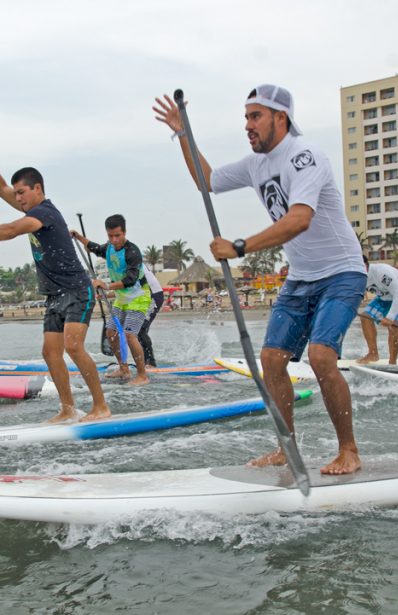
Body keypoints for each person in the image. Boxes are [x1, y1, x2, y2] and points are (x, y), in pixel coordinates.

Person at [154, 83, 366, 475]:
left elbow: (300, 219)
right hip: (302, 276)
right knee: (271, 360)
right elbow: (207, 181)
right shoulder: (257, 165)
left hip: (341, 271)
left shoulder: (304, 157)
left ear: (280, 118)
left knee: (321, 357)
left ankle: (349, 449)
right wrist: (183, 134)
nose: (248, 126)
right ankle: (286, 447)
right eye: (246, 118)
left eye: (255, 117)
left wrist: (239, 247)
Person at [0, 137, 110, 423]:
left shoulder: (44, 213)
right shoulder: (29, 207)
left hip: (77, 290)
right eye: (17, 194)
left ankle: (101, 407)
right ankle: (68, 408)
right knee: (49, 352)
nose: (18, 198)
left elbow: (11, 230)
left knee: (73, 347)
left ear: (38, 189)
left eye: (22, 192)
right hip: (54, 294)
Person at [72, 214, 151, 385]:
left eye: (117, 235)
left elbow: (130, 279)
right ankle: (123, 368)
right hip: (122, 299)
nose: (114, 240)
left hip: (139, 297)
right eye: (110, 236)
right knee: (111, 333)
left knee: (130, 335)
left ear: (124, 232)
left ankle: (142, 375)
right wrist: (78, 237)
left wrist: (106, 286)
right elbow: (93, 247)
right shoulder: (108, 248)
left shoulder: (132, 251)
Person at [357, 256, 398, 365]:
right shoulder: (355, 278)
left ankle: (392, 362)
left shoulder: (381, 272)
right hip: (384, 298)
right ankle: (373, 354)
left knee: (393, 326)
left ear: (365, 264)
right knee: (365, 317)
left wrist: (390, 317)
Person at [138, 263, 163, 367]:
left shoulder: (132, 261)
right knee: (137, 331)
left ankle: (151, 362)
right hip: (143, 298)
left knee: (140, 329)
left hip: (154, 296)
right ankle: (144, 361)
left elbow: (128, 284)